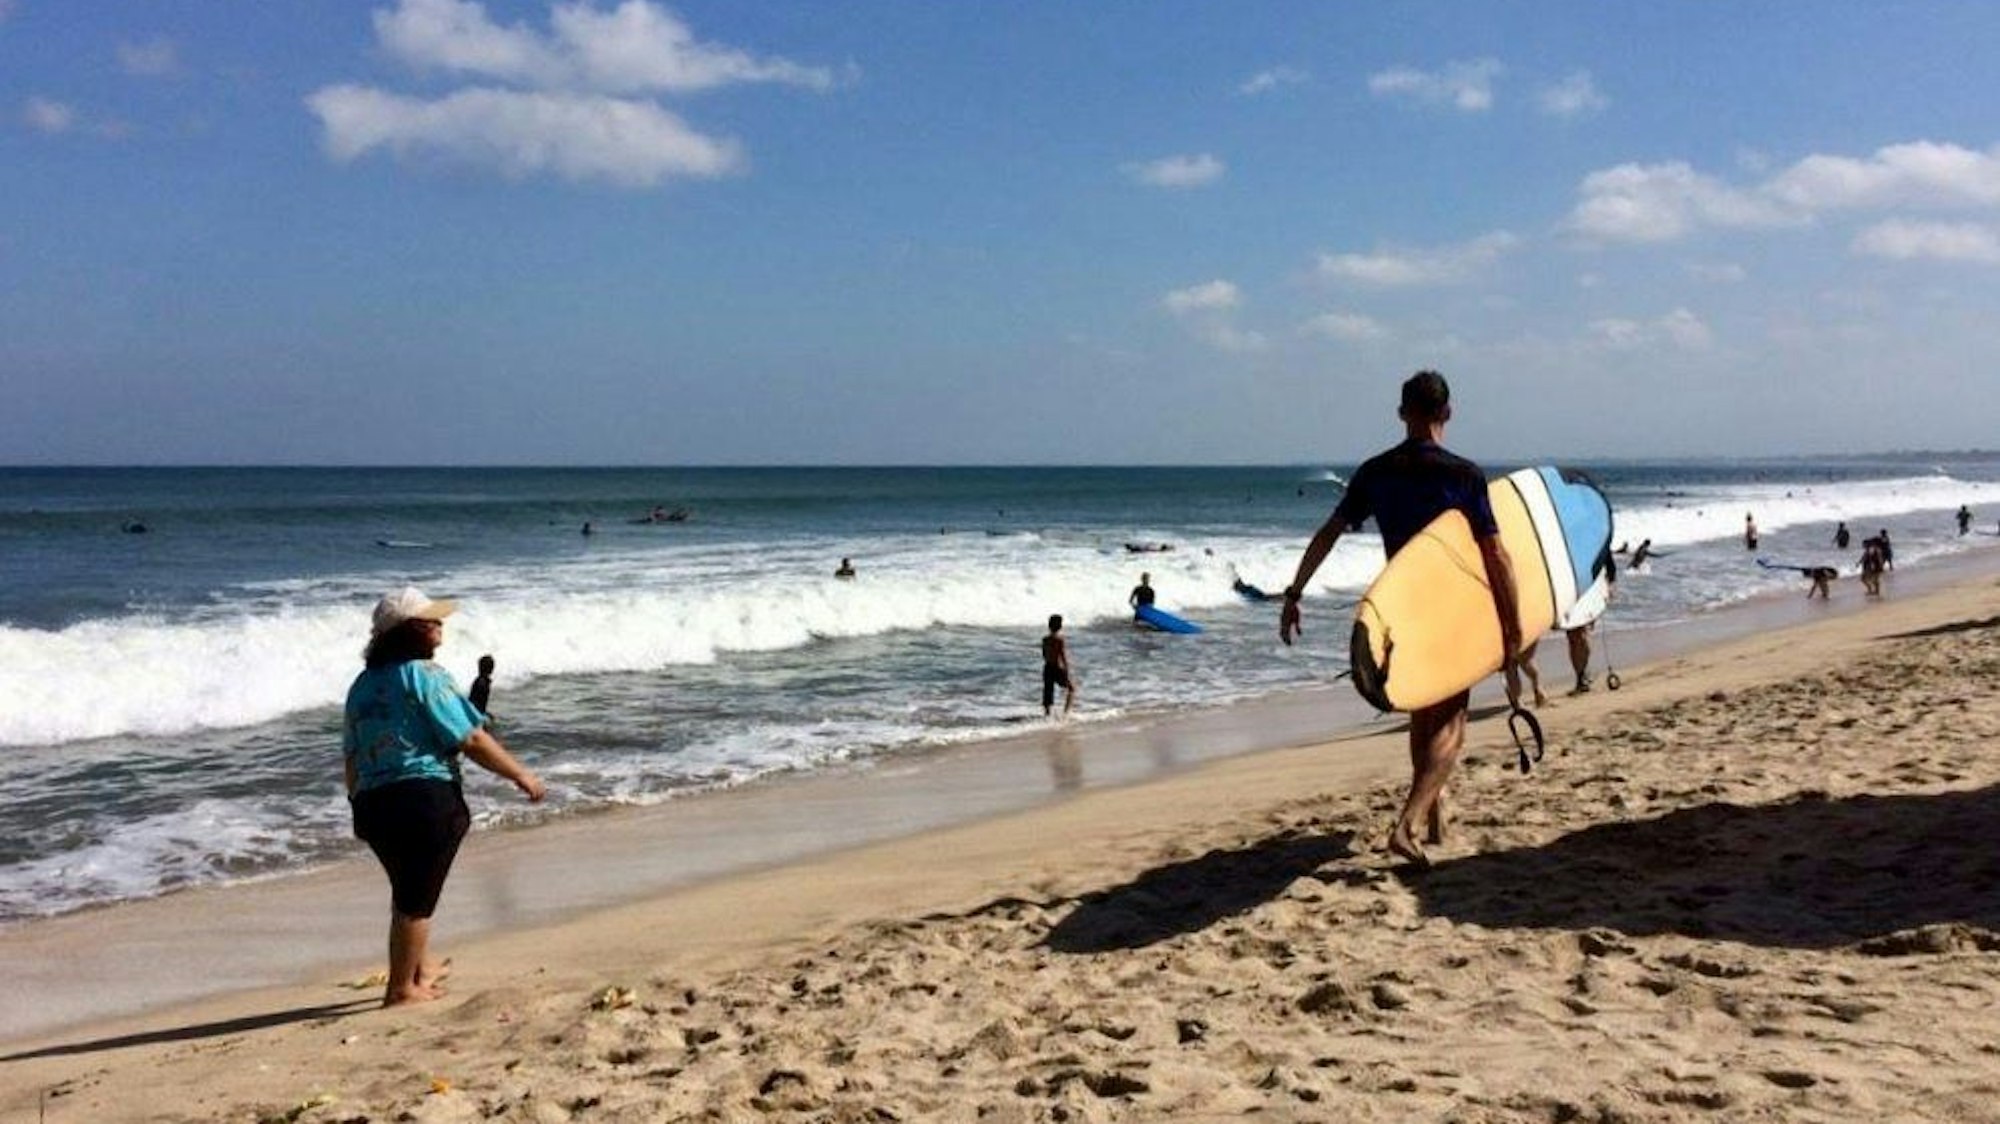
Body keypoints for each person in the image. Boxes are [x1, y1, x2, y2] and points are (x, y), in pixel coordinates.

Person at [1279, 371, 1523, 868]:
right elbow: (1496, 555)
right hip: (1451, 610)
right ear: (1447, 413)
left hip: (1402, 607)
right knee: (1452, 721)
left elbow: (1330, 532)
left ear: (1400, 413)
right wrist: (1512, 627)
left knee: (1420, 712)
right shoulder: (1464, 475)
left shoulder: (1375, 472)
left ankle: (1433, 816)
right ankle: (1408, 824)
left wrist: (1295, 590)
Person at [344, 587, 544, 1008]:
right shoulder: (426, 675)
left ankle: (421, 967)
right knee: (417, 900)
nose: (440, 623)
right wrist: (520, 774)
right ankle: (402, 989)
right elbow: (470, 737)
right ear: (407, 631)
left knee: (407, 890)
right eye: (430, 619)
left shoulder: (361, 685)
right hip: (424, 797)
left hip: (373, 804)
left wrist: (356, 806)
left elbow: (351, 754)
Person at [1040, 614, 1076, 718]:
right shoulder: (1060, 640)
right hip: (1057, 667)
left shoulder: (1045, 639)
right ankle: (1066, 713)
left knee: (1048, 691)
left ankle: (1047, 715)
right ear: (1060, 626)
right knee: (1072, 688)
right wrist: (1067, 669)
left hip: (1047, 667)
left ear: (1049, 625)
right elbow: (1062, 655)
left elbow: (1044, 654)